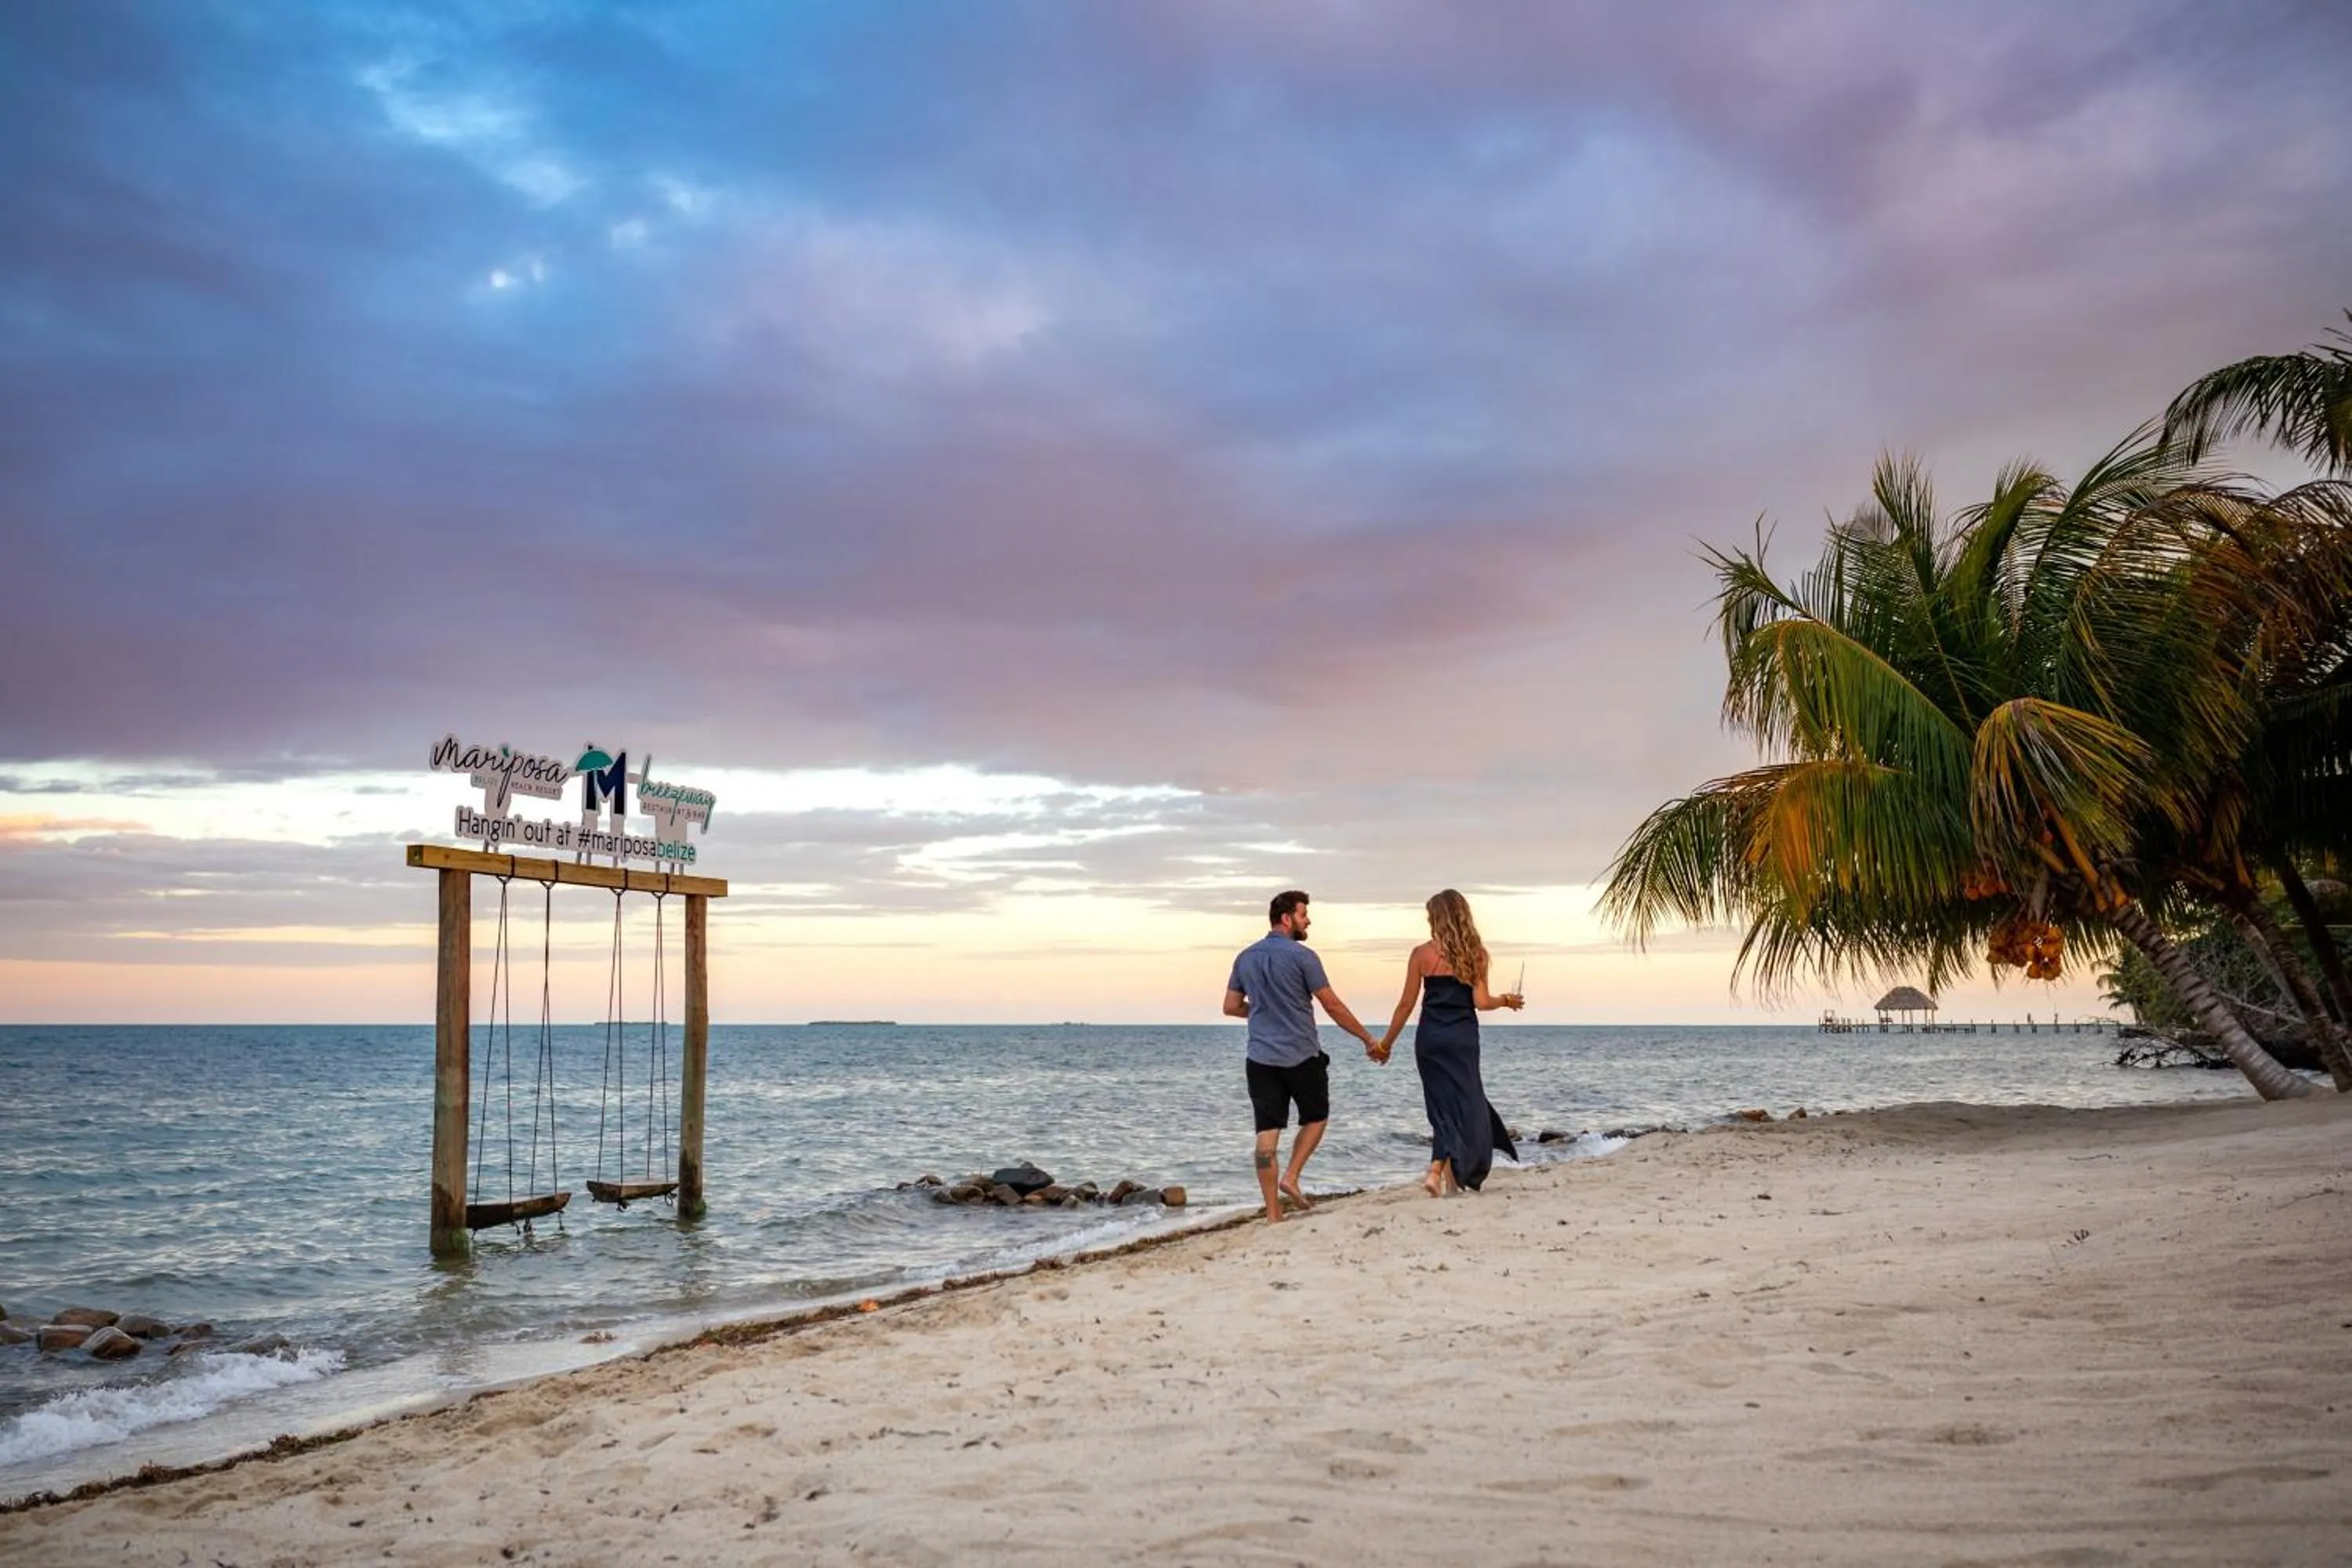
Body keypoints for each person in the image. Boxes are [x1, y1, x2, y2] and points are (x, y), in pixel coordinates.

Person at [1224, 890, 1381, 1224]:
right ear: (1286, 918)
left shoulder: (1245, 958)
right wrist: (1367, 1038)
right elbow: (1332, 1005)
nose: (1308, 921)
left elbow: (1231, 1007)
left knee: (1266, 1137)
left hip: (1261, 1059)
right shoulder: (1303, 956)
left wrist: (1263, 1011)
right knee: (1316, 1117)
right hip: (1301, 1055)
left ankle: (1273, 1214)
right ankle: (1291, 1176)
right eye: (1303, 914)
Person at [1373, 889, 1523, 1196]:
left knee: (1440, 1105)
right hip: (1462, 1038)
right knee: (1466, 1103)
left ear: (1436, 918)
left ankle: (1449, 1181)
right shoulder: (1476, 954)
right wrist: (1507, 1000)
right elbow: (1482, 1002)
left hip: (1430, 1038)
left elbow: (1405, 1005)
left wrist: (1386, 1044)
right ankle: (1436, 1170)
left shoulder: (1421, 954)